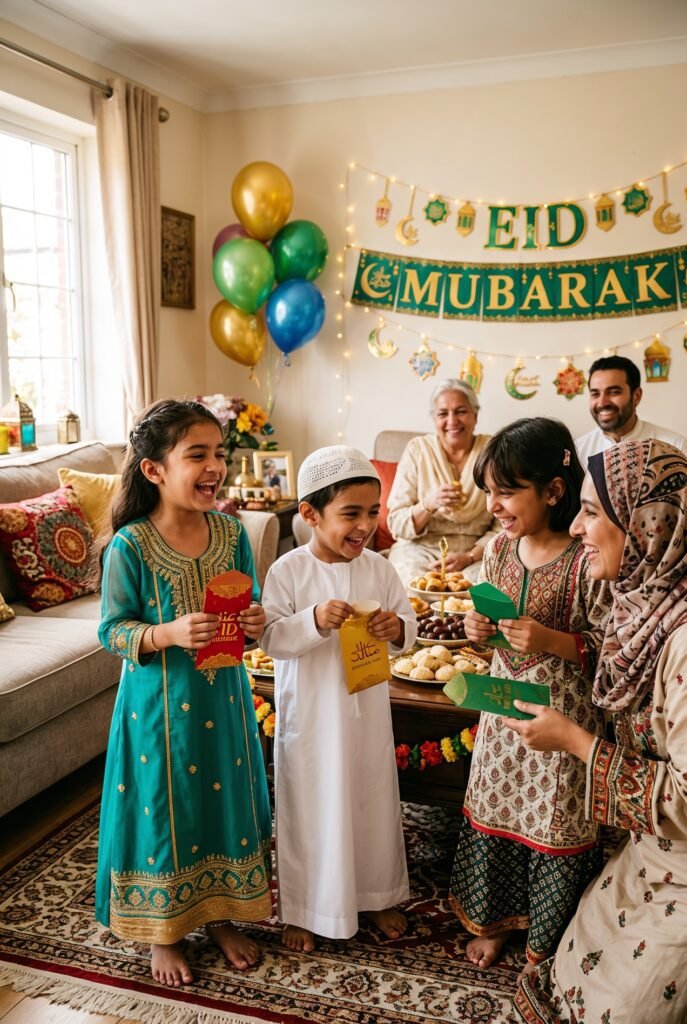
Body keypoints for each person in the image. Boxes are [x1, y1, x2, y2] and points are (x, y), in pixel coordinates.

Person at [96, 399, 272, 988]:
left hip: (224, 697)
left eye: (219, 453)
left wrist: (254, 621)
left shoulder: (231, 532)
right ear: (154, 470)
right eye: (197, 454)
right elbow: (111, 630)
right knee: (166, 806)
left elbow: (248, 603)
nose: (214, 466)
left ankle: (220, 913)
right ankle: (164, 931)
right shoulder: (131, 546)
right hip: (158, 711)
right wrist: (165, 633)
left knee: (222, 799)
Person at [512, 439, 687, 1024]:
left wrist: (575, 741)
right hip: (648, 851)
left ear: (647, 525)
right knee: (568, 974)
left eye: (591, 512)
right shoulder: (640, 605)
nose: (577, 528)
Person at [450, 417, 612, 973]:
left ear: (554, 491)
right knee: (497, 806)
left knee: (553, 818)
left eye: (506, 491)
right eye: (488, 491)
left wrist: (551, 641)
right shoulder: (498, 550)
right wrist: (478, 629)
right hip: (501, 715)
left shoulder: (586, 558)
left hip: (562, 721)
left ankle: (546, 940)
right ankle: (496, 923)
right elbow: (493, 628)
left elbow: (613, 648)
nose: (493, 505)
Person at [260, 446, 417, 952]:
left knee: (371, 797)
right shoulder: (288, 570)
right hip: (312, 717)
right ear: (310, 514)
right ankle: (306, 907)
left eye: (372, 512)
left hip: (367, 714)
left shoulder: (380, 569)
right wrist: (312, 620)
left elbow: (407, 623)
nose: (365, 526)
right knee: (311, 806)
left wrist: (397, 629)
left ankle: (376, 894)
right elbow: (271, 637)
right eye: (351, 513)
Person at [386, 379, 498, 586]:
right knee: (412, 587)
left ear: (475, 415)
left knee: (476, 590)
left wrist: (470, 556)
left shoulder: (493, 451)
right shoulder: (418, 450)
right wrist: (428, 504)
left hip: (475, 552)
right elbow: (396, 523)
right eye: (443, 414)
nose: (452, 421)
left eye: (461, 411)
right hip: (420, 550)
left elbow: (504, 525)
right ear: (434, 419)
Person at [575, 354, 686, 464]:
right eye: (595, 394)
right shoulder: (578, 451)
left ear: (636, 396)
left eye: (614, 392)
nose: (602, 403)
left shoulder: (675, 446)